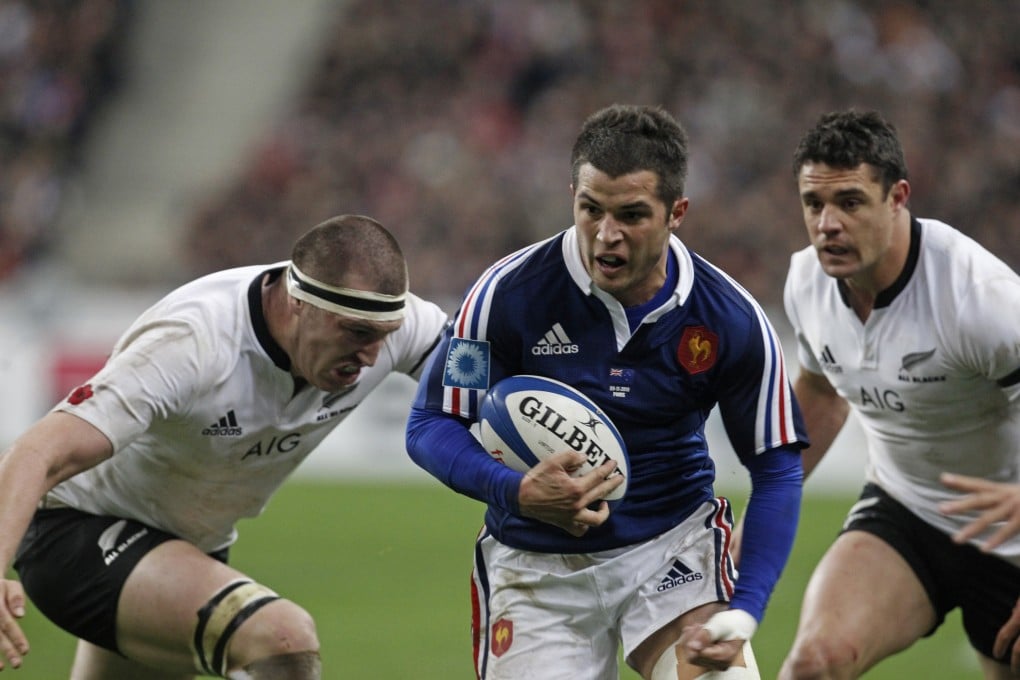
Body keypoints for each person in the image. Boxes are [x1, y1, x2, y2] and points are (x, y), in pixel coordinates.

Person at [405, 103, 808, 680]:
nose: (606, 235)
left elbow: (777, 468)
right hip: (535, 570)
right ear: (573, 194)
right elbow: (431, 424)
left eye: (632, 215)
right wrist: (516, 490)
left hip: (671, 555)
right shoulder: (508, 294)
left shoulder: (730, 319)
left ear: (677, 213)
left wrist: (745, 611)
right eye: (590, 209)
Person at [0, 214, 449, 678]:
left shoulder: (383, 320)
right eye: (356, 334)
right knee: (282, 639)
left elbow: (482, 380)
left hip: (188, 550)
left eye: (385, 336)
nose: (372, 356)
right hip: (78, 534)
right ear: (299, 302)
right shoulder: (195, 340)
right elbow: (38, 451)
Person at [778, 109, 1020, 679]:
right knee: (814, 663)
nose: (828, 224)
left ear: (898, 197)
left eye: (851, 202)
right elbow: (820, 392)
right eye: (814, 204)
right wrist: (767, 503)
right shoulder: (807, 281)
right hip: (909, 512)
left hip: (1013, 533)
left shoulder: (979, 298)